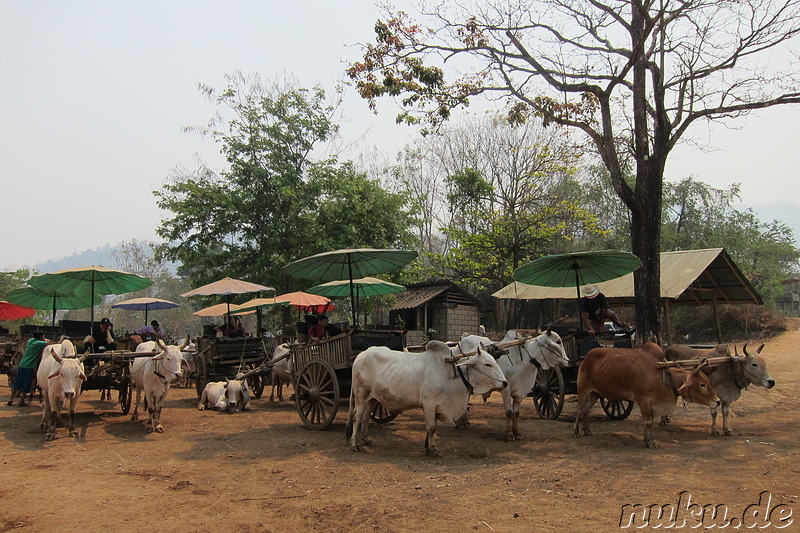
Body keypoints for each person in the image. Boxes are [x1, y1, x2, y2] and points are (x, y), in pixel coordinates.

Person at [7, 331, 52, 407]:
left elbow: (38, 339)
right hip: (30, 366)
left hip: (22, 364)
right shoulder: (39, 344)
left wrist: (43, 339)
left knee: (17, 383)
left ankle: (11, 399)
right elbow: (50, 344)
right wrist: (46, 340)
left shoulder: (30, 341)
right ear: (40, 337)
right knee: (26, 384)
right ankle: (21, 401)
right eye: (43, 337)